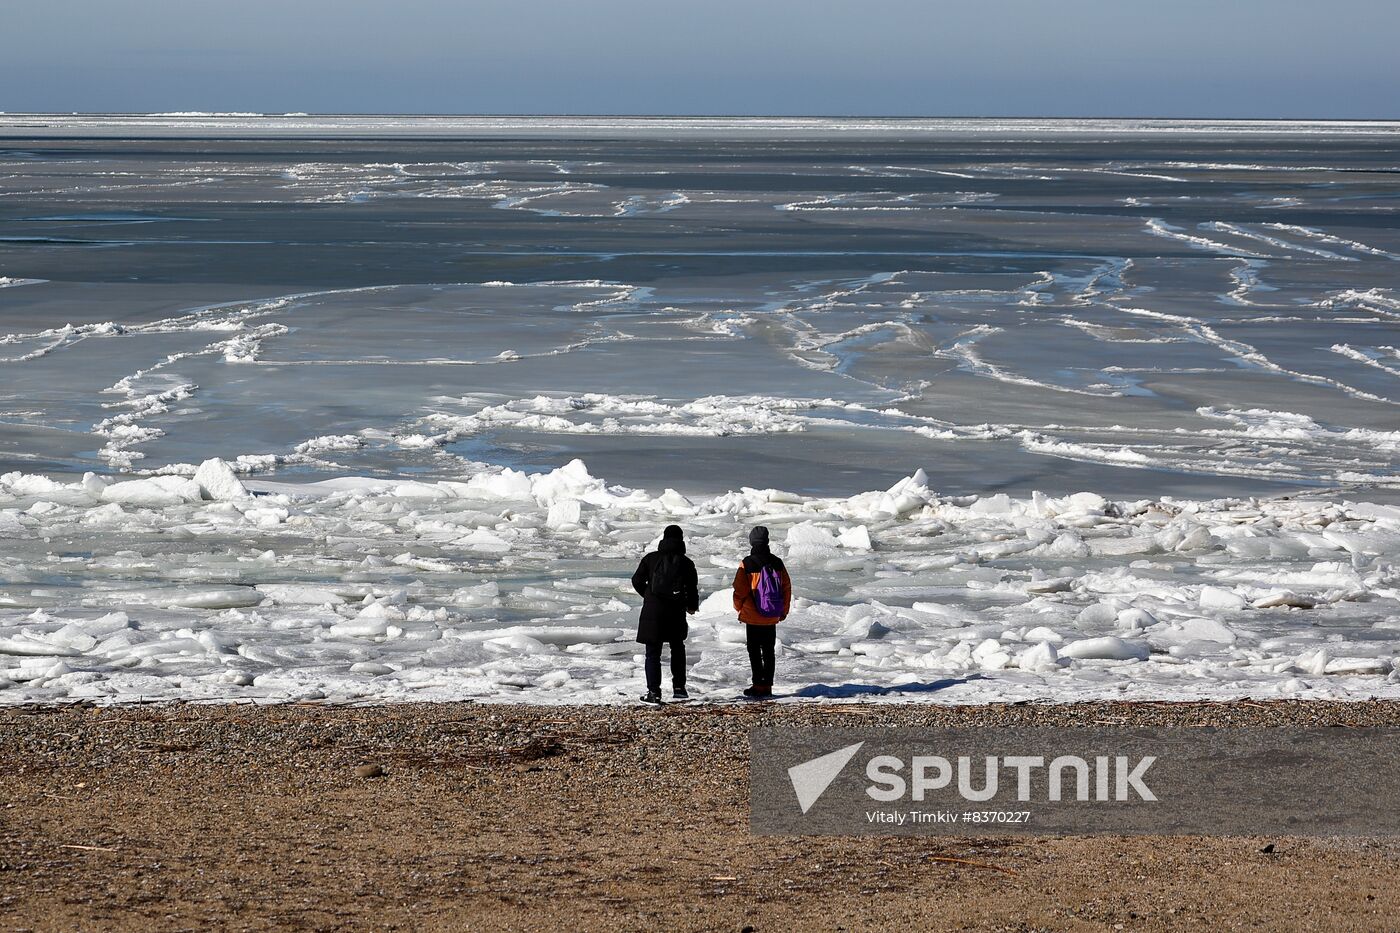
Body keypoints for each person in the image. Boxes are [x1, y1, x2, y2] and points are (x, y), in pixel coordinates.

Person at [631, 524, 699, 704]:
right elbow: (692, 588)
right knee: (677, 649)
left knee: (653, 653)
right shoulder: (686, 562)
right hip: (676, 612)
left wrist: (648, 595)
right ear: (681, 539)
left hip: (653, 611)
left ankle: (654, 692)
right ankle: (679, 689)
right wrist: (691, 606)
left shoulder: (651, 559)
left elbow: (636, 580)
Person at [732, 525, 791, 698]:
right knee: (769, 651)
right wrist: (783, 611)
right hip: (771, 614)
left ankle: (758, 685)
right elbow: (786, 588)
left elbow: (740, 591)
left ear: (752, 542)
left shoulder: (747, 563)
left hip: (752, 616)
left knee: (754, 651)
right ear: (767, 541)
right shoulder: (777, 563)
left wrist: (738, 607)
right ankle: (768, 686)